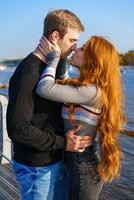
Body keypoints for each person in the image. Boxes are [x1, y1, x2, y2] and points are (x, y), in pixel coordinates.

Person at [6, 9, 92, 200]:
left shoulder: (49, 68)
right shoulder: (28, 74)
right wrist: (64, 142)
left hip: (53, 161)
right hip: (37, 169)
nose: (74, 47)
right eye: (71, 40)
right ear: (55, 36)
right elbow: (18, 129)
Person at [35, 35, 126, 200]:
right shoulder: (84, 87)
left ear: (94, 60)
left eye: (82, 48)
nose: (76, 48)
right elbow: (61, 81)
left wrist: (54, 57)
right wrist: (62, 56)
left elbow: (44, 88)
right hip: (74, 161)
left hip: (83, 167)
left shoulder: (93, 91)